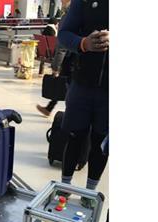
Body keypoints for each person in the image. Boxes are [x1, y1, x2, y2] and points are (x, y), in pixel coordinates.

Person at [57, 0, 109, 206]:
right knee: (74, 137)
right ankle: (64, 188)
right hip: (81, 85)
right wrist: (83, 43)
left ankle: (90, 193)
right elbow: (64, 34)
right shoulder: (84, 2)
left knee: (101, 143)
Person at [36, 0, 71, 116]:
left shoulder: (70, 15)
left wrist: (56, 66)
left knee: (69, 86)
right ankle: (50, 108)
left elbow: (63, 44)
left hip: (70, 58)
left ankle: (65, 112)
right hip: (75, 57)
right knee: (66, 84)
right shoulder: (80, 13)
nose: (61, 2)